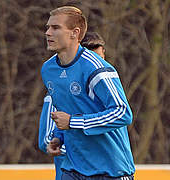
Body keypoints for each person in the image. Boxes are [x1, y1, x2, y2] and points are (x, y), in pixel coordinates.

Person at [41, 6, 135, 180]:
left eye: (55, 28)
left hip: (109, 171)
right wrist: (59, 138)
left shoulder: (96, 68)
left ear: (74, 33)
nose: (47, 32)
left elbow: (123, 113)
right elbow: (69, 109)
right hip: (73, 169)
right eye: (47, 27)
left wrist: (72, 122)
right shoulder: (48, 69)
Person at [38, 32, 109, 180]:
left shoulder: (107, 95)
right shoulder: (55, 95)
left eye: (101, 60)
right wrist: (85, 151)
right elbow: (46, 140)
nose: (98, 68)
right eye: (92, 62)